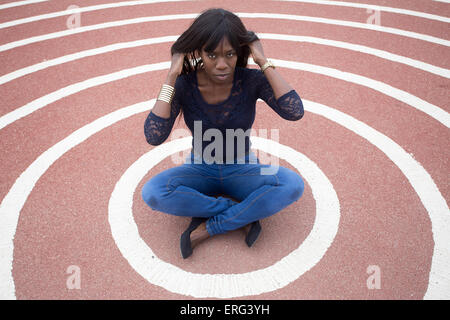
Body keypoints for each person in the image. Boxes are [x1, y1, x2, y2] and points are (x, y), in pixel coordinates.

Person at [142, 8, 305, 259]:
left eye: (230, 54)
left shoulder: (251, 80)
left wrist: (263, 61)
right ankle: (238, 213)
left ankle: (210, 227)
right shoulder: (185, 84)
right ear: (198, 52)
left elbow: (294, 111)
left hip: (242, 165)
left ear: (240, 52)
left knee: (292, 185)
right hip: (200, 166)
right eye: (212, 54)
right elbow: (154, 134)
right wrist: (172, 74)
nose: (222, 64)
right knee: (153, 192)